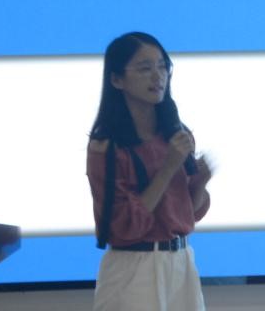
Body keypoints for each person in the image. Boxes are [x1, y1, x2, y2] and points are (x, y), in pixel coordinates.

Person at [87, 32, 213, 310]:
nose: (158, 76)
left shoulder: (176, 134)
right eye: (145, 68)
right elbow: (124, 226)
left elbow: (188, 213)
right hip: (134, 267)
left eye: (162, 67)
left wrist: (200, 183)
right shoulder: (107, 147)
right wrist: (168, 169)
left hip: (181, 262)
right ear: (117, 79)